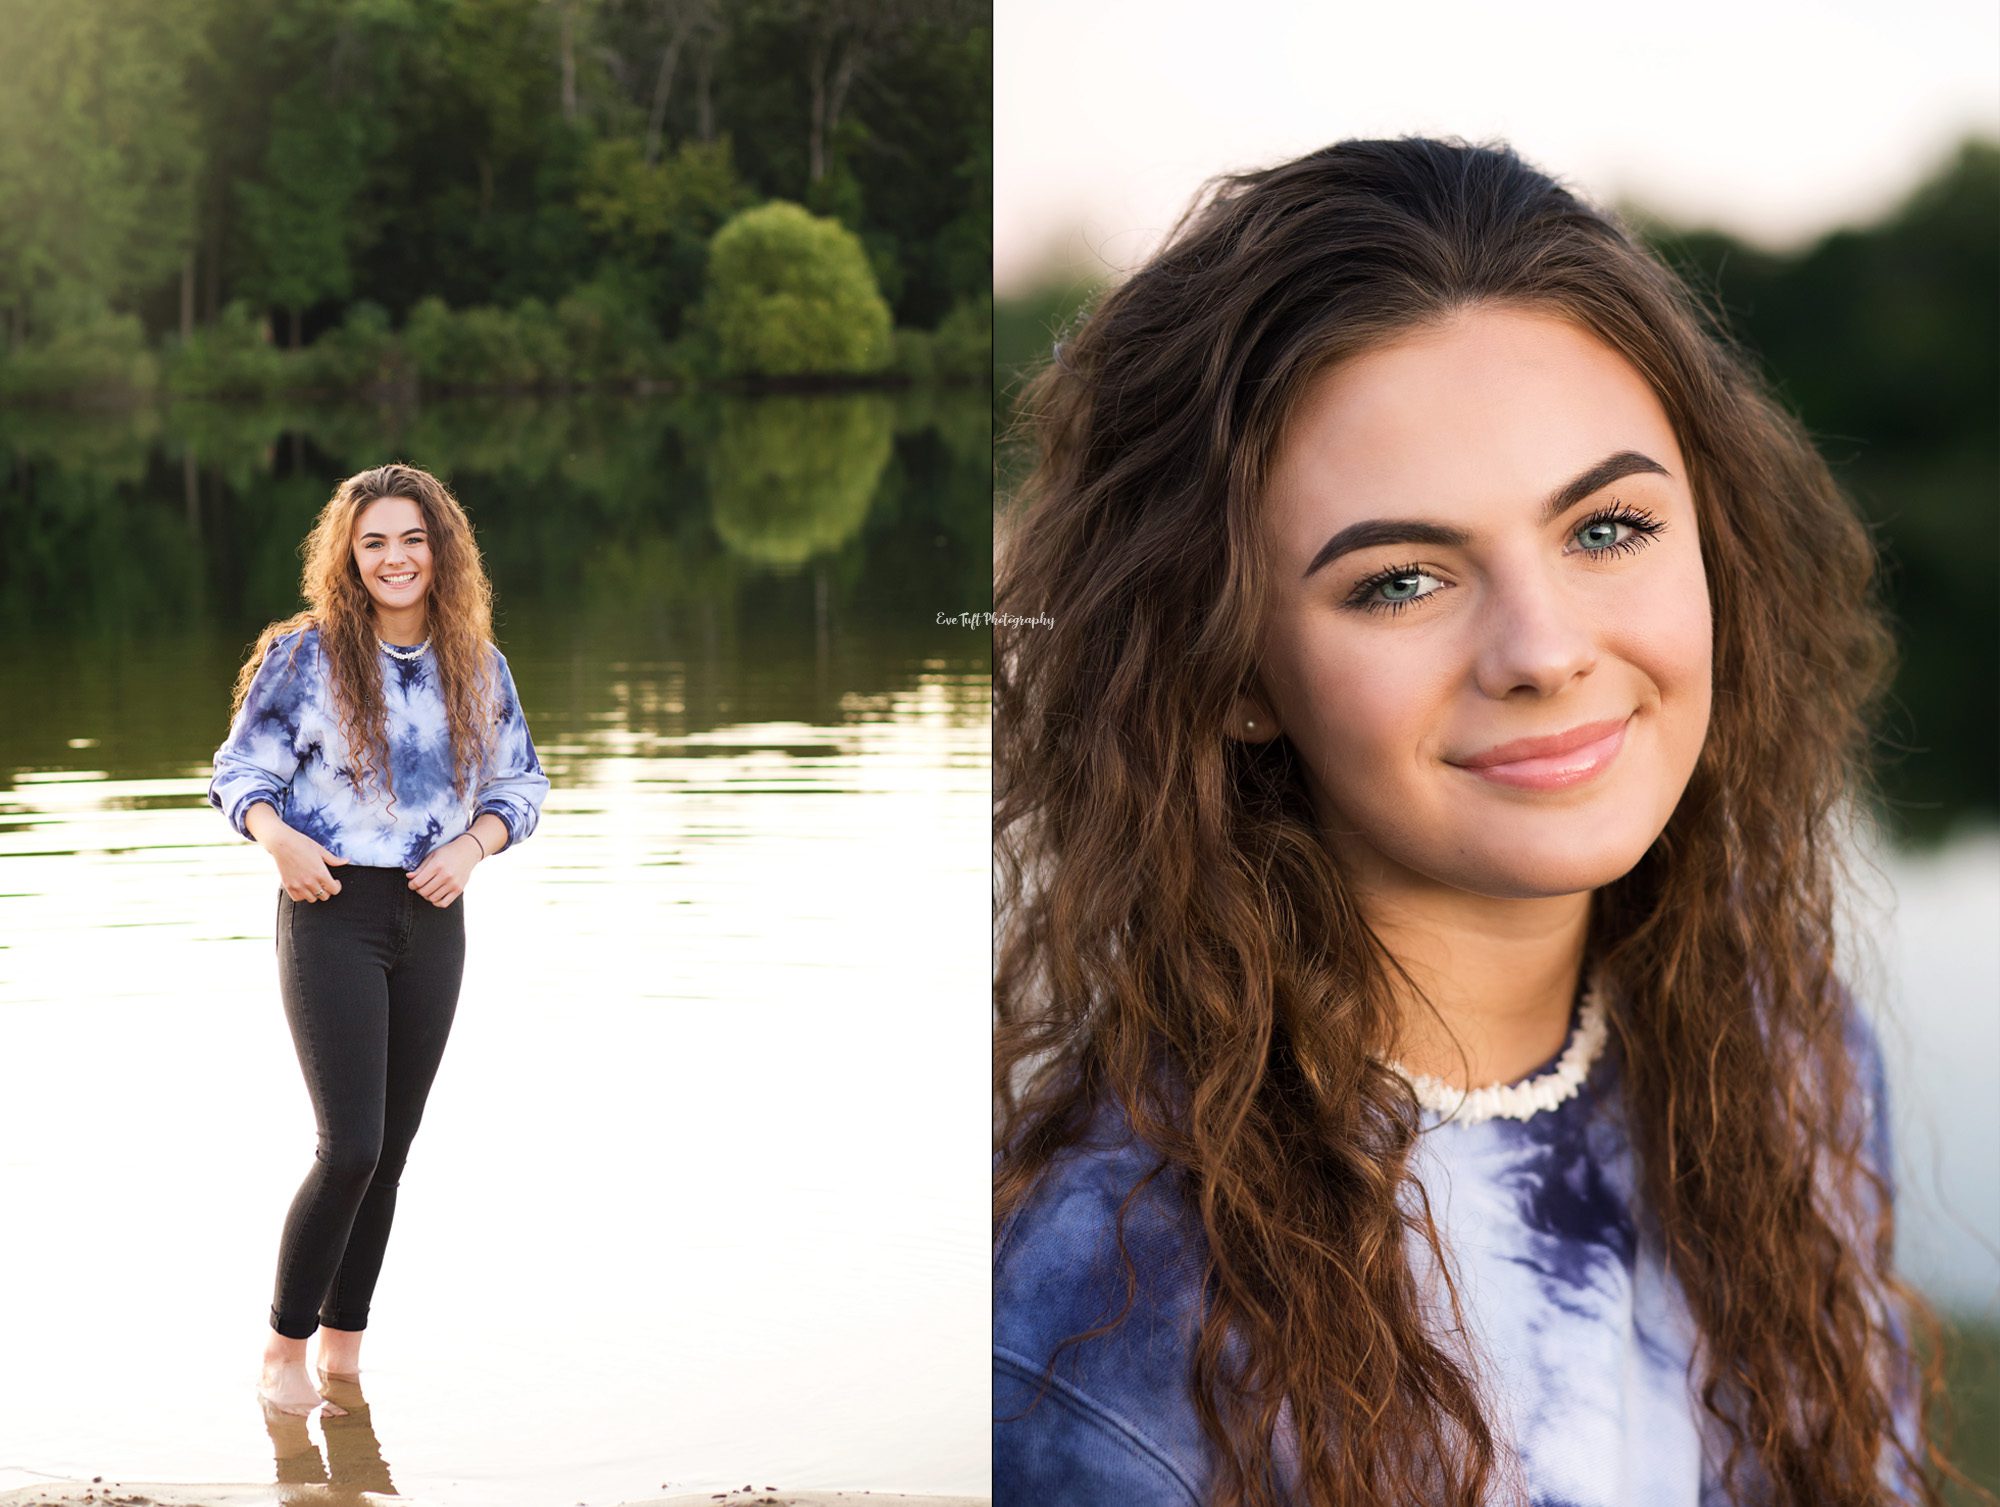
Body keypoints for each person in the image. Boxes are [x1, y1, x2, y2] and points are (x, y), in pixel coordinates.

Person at [992, 139, 1959, 1506]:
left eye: (1608, 527)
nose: (1543, 648)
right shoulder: (1106, 1314)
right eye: (1400, 580)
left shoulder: (1783, 1054)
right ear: (1232, 671)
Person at [208, 462, 550, 1417]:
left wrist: (474, 848)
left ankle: (346, 1358)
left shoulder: (477, 662)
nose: (395, 558)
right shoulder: (305, 656)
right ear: (348, 557)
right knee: (349, 1144)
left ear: (441, 550)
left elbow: (520, 786)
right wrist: (278, 843)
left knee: (392, 1149)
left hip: (435, 915)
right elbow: (240, 773)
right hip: (331, 913)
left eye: (412, 538)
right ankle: (283, 1346)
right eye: (374, 542)